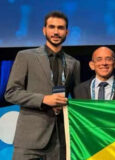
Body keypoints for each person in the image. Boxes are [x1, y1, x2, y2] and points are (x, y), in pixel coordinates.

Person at [5, 11, 80, 159]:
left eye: (60, 28)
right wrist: (43, 99)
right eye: (52, 27)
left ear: (67, 32)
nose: (56, 32)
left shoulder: (74, 63)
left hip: (60, 142)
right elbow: (11, 92)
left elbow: (77, 99)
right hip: (30, 141)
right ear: (44, 30)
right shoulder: (26, 56)